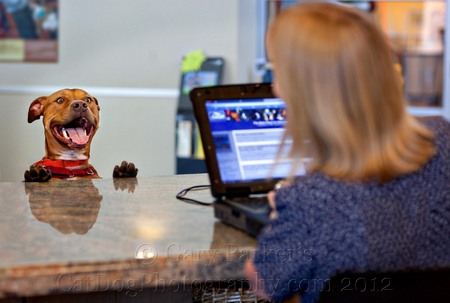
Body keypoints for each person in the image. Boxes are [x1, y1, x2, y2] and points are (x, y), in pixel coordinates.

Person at [244, 2, 450, 303]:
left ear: (307, 94)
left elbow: (264, 284)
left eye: (280, 74)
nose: (276, 88)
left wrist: (281, 212)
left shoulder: (310, 202)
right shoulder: (443, 141)